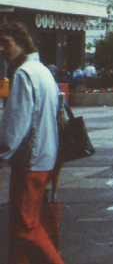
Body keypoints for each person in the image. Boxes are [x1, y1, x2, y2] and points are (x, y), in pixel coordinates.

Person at [0, 22, 65, 264]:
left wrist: (2, 154)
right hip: (45, 157)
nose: (1, 49)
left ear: (21, 42)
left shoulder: (24, 74)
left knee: (26, 228)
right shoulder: (42, 71)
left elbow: (15, 126)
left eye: (6, 43)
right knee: (22, 226)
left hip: (31, 161)